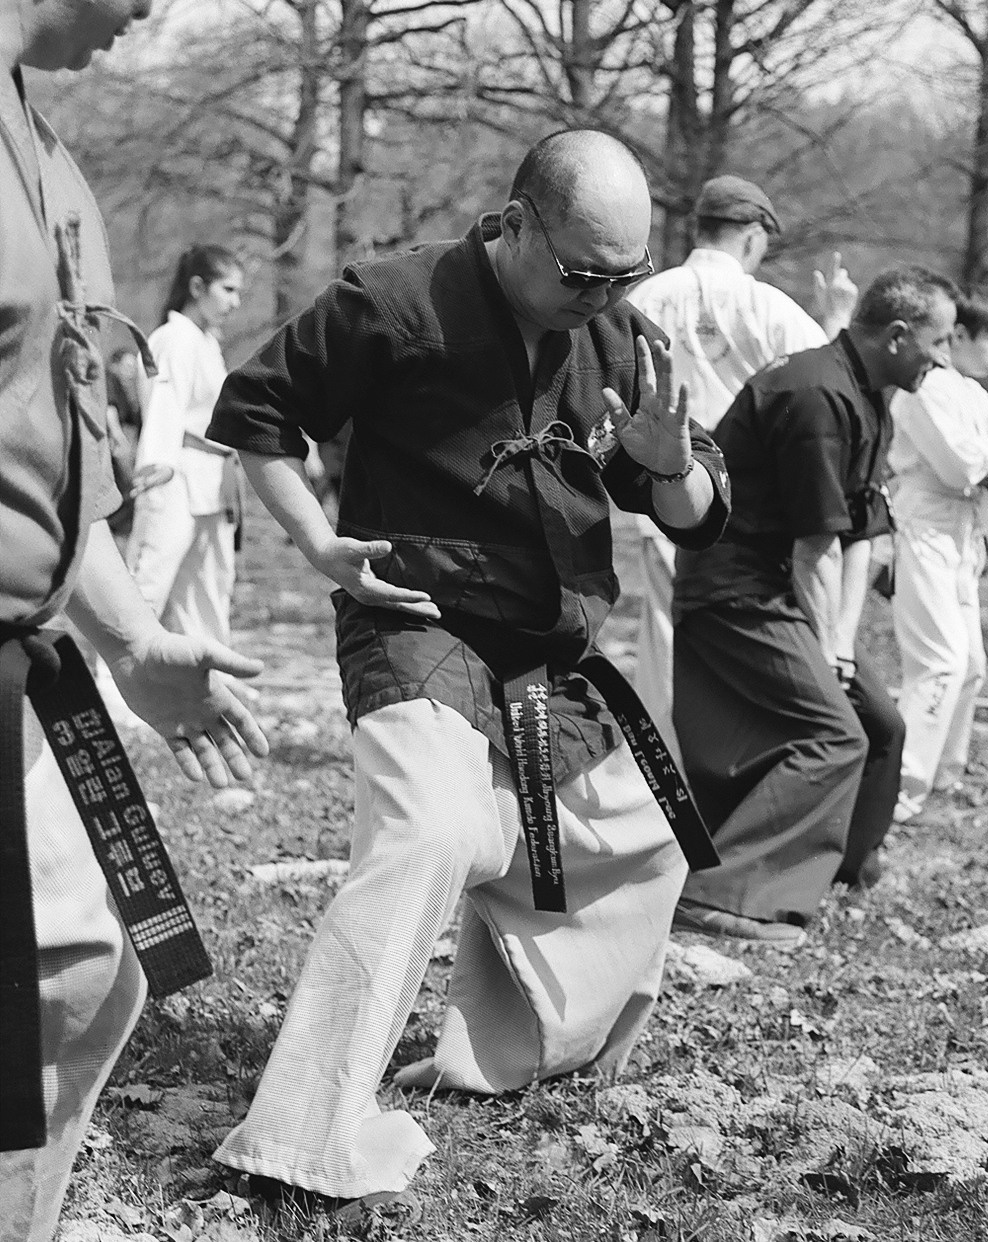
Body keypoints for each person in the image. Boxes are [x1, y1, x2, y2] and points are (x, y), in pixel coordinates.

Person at [204, 129, 731, 1211]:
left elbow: (690, 512)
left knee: (643, 834)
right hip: (417, 623)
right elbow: (259, 412)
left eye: (624, 274)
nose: (602, 295)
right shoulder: (395, 302)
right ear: (518, 223)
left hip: (551, 651)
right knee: (431, 835)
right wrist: (316, 542)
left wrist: (672, 464)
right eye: (582, 272)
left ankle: (509, 1051)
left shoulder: (620, 340)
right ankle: (302, 1132)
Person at [0, 6, 269, 1241]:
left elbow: (54, 438)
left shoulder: (48, 155)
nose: (160, 8)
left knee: (85, 974)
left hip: (35, 644)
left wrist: (132, 642)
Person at [670, 267, 959, 944]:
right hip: (736, 589)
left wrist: (841, 645)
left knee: (880, 723)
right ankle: (720, 895)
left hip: (788, 587)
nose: (944, 358)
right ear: (898, 335)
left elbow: (861, 535)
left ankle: (842, 867)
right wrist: (828, 652)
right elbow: (814, 549)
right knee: (834, 735)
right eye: (940, 341)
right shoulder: (815, 394)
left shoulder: (870, 394)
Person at [628, 175, 858, 760]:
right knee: (737, 647)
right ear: (753, 238)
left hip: (656, 494)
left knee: (664, 646)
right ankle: (729, 764)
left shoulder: (645, 298)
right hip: (741, 511)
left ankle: (660, 778)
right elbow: (820, 379)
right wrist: (835, 318)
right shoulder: (769, 308)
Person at [889, 292, 988, 823]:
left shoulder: (970, 392)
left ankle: (942, 779)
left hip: (961, 532)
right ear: (959, 336)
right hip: (923, 527)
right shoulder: (925, 387)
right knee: (938, 661)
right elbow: (959, 465)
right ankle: (900, 792)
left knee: (970, 665)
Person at [125, 245, 245, 649]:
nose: (235, 302)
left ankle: (211, 674)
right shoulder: (172, 338)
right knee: (149, 581)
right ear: (197, 287)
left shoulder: (205, 342)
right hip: (175, 474)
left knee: (210, 587)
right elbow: (164, 404)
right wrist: (157, 465)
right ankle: (115, 678)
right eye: (227, 289)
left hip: (213, 479)